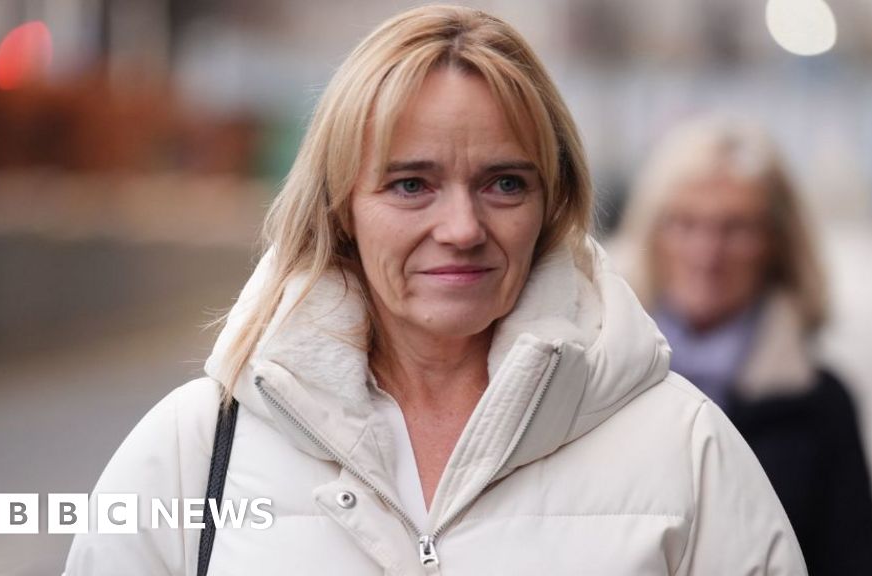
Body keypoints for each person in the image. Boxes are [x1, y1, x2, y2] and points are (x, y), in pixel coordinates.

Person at [64, 7, 806, 575]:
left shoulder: (686, 449)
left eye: (504, 184)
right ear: (339, 207)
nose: (461, 227)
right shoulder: (195, 448)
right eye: (411, 184)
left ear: (554, 204)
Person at [612, 115, 872, 575]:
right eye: (685, 223)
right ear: (650, 234)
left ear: (777, 242)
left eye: (735, 228)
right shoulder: (598, 386)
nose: (707, 253)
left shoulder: (819, 405)